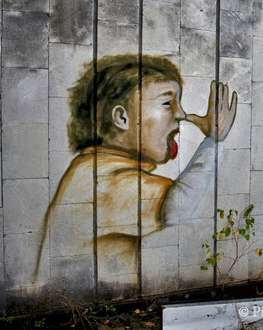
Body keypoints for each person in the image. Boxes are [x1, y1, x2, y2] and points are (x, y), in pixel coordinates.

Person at [34, 54, 237, 291]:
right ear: (122, 117)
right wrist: (213, 141)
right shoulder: (101, 178)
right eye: (167, 103)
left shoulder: (92, 166)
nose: (181, 114)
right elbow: (177, 210)